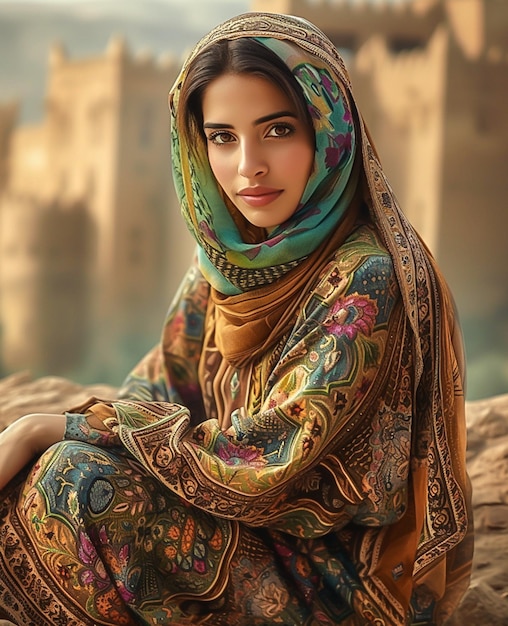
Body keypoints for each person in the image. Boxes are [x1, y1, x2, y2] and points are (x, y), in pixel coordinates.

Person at [0, 11, 473, 626]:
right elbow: (158, 390)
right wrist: (73, 433)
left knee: (75, 476)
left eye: (277, 130)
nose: (248, 165)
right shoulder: (225, 266)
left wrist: (56, 426)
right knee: (43, 472)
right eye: (223, 136)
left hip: (340, 577)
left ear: (329, 129)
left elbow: (270, 467)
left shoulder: (368, 279)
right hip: (232, 517)